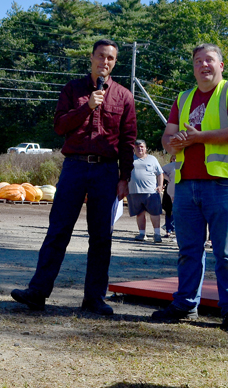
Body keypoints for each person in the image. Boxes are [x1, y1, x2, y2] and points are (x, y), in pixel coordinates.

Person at [10, 39, 136, 316]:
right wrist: (88, 106)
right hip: (75, 167)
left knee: (101, 237)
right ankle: (38, 293)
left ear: (115, 63)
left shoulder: (124, 96)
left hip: (106, 171)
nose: (105, 62)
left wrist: (125, 177)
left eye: (111, 58)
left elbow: (128, 140)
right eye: (101, 56)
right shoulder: (72, 90)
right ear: (91, 58)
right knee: (58, 231)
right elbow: (59, 126)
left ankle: (94, 299)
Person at [152, 43, 228, 334]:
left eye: (209, 60)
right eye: (198, 61)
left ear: (221, 65)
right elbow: (167, 138)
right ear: (193, 67)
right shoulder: (183, 98)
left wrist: (198, 138)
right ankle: (185, 304)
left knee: (227, 251)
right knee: (188, 250)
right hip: (185, 185)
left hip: (222, 183)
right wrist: (174, 142)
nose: (204, 65)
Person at [128, 140, 164, 242]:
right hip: (134, 192)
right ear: (134, 148)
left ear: (145, 148)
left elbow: (160, 173)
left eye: (142, 147)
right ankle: (142, 234)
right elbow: (123, 172)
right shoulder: (129, 159)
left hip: (151, 192)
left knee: (154, 213)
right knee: (139, 213)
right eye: (137, 147)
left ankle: (157, 234)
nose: (140, 149)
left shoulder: (152, 159)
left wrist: (160, 185)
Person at [161, 155, 177, 238]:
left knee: (177, 211)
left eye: (176, 158)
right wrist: (167, 179)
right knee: (168, 210)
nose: (175, 160)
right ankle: (168, 230)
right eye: (173, 158)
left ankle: (174, 229)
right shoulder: (170, 167)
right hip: (169, 191)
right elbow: (160, 171)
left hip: (179, 191)